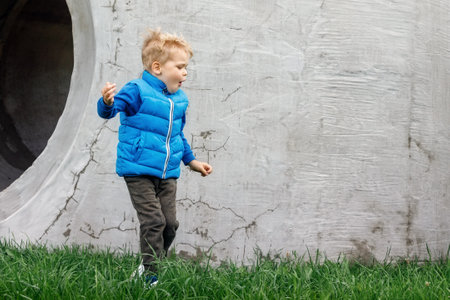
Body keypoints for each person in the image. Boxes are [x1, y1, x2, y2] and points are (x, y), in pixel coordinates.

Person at [97, 29, 212, 285]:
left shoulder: (179, 100)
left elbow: (178, 135)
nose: (185, 73)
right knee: (154, 221)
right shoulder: (136, 90)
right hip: (138, 170)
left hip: (168, 173)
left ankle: (147, 264)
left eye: (186, 67)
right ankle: (151, 276)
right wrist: (106, 101)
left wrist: (192, 162)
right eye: (180, 67)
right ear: (158, 67)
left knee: (170, 225)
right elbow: (110, 111)